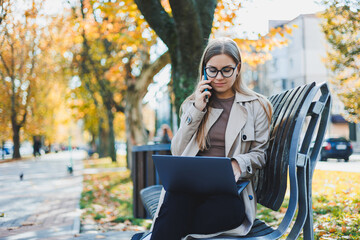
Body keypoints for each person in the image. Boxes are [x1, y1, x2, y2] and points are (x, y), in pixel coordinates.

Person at [144, 37, 272, 240]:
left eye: (226, 70)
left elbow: (260, 154)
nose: (219, 77)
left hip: (229, 194)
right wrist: (197, 110)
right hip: (188, 189)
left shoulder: (257, 106)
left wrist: (238, 164)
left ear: (238, 68)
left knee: (213, 213)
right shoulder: (192, 105)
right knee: (177, 203)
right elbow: (177, 150)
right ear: (204, 69)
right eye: (212, 70)